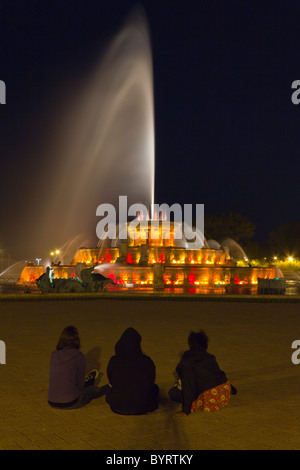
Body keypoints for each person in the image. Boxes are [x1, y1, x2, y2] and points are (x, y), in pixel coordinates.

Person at [168, 329, 237, 418]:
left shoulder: (187, 363)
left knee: (173, 393)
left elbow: (188, 385)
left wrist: (185, 410)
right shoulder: (210, 357)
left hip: (210, 397)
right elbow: (218, 374)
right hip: (223, 391)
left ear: (190, 344)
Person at [48, 325, 109, 409]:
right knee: (91, 390)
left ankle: (90, 381)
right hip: (70, 402)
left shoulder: (54, 355)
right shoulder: (79, 356)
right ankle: (108, 387)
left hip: (51, 400)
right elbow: (80, 384)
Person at [106, 327, 159, 415]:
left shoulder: (114, 360)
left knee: (110, 389)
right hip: (141, 407)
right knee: (155, 389)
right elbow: (151, 380)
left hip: (118, 407)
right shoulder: (146, 360)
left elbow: (111, 379)